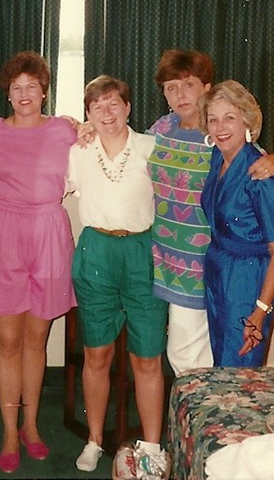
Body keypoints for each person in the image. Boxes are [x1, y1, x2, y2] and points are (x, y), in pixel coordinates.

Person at [0, 51, 77, 474]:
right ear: (7, 94)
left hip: (49, 233)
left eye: (32, 87)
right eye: (16, 88)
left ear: (45, 92)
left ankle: (31, 426)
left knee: (37, 340)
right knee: (8, 341)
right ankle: (10, 431)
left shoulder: (65, 130)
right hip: (3, 234)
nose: (24, 94)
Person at [147, 50, 274, 375]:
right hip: (183, 263)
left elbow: (268, 174)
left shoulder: (230, 146)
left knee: (202, 357)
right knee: (207, 353)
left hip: (219, 267)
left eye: (188, 84)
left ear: (206, 88)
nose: (180, 94)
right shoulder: (164, 130)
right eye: (171, 87)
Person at [67, 76, 169, 476]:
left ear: (128, 107)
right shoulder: (78, 151)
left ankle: (152, 447)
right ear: (88, 113)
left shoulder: (150, 147)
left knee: (147, 357)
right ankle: (94, 440)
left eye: (114, 104)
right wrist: (72, 126)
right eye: (97, 106)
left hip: (142, 251)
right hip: (96, 250)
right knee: (97, 353)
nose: (106, 113)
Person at [198, 80, 274, 367]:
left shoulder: (261, 174)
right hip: (218, 271)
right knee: (222, 363)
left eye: (229, 118)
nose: (220, 127)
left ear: (247, 121)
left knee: (239, 369)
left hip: (247, 280)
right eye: (213, 119)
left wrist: (260, 310)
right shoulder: (218, 157)